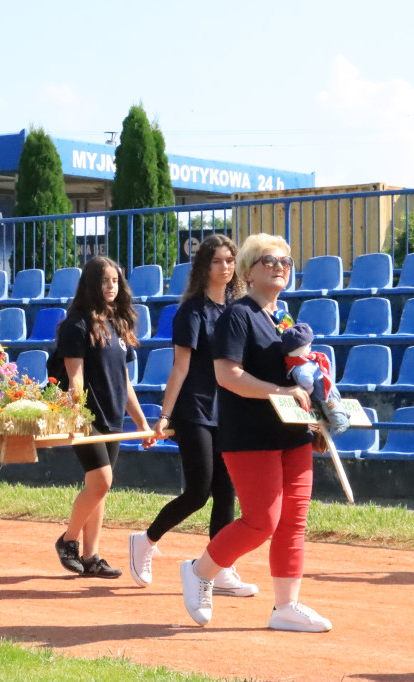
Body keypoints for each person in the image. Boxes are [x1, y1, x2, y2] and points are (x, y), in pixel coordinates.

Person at [178, 234, 331, 633]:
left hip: (293, 434)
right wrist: (282, 391)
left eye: (286, 260)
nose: (280, 265)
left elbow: (299, 374)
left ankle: (286, 607)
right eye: (269, 260)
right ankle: (200, 570)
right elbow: (227, 375)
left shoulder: (284, 319)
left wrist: (316, 407)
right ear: (247, 271)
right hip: (250, 434)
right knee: (262, 521)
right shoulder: (237, 315)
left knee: (293, 522)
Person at [129, 236, 257, 598]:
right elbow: (180, 367)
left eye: (230, 260)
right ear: (204, 267)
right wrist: (164, 415)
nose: (226, 267)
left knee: (226, 492)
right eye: (217, 261)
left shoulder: (236, 311)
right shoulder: (191, 312)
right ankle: (146, 540)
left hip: (227, 412)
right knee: (199, 492)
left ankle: (220, 568)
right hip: (194, 411)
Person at [53, 256, 150, 579]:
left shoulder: (117, 324)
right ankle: (68, 541)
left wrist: (141, 423)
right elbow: (75, 378)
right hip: (87, 415)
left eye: (116, 281)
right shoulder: (76, 324)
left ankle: (91, 556)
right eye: (106, 280)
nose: (112, 286)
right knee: (102, 481)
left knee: (99, 487)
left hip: (112, 416)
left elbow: (123, 381)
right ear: (91, 284)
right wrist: (77, 416)